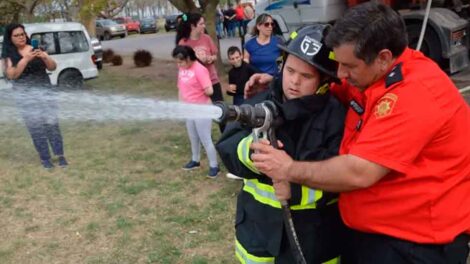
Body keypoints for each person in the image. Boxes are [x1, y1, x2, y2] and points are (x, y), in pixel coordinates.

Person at [249, 3, 470, 263]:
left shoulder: (416, 94)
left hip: (415, 246)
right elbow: (334, 89)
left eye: (348, 66)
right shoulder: (371, 74)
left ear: (384, 58)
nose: (341, 74)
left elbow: (359, 172)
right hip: (374, 236)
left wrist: (288, 169)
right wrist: (277, 82)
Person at [216, 24, 348, 263]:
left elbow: (342, 176)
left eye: (306, 76)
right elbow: (227, 146)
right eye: (290, 71)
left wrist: (294, 188)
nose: (294, 82)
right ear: (282, 65)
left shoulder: (336, 117)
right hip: (258, 232)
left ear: (325, 80)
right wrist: (250, 153)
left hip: (314, 240)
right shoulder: (260, 102)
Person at [1, 23, 68, 169]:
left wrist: (44, 57)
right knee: (36, 127)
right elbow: (12, 75)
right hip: (25, 97)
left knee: (52, 124)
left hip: (45, 92)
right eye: (16, 35)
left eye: (22, 34)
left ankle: (60, 155)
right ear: (10, 38)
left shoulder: (36, 48)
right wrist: (25, 60)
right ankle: (45, 158)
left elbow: (52, 67)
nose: (21, 37)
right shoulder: (8, 55)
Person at [172, 45, 220, 178]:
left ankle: (214, 166)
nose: (179, 64)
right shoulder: (181, 69)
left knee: (205, 138)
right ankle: (195, 160)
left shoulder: (200, 69)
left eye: (180, 61)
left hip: (202, 109)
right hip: (189, 109)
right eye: (177, 61)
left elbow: (210, 90)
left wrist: (203, 90)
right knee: (193, 137)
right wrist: (181, 104)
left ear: (188, 58)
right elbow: (180, 88)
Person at [176, 13, 225, 132]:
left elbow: (214, 55)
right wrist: (197, 60)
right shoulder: (183, 43)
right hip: (195, 86)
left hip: (212, 81)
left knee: (221, 111)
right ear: (193, 26)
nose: (204, 26)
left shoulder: (206, 38)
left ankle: (225, 135)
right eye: (201, 24)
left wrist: (210, 58)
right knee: (199, 115)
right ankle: (203, 137)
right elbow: (181, 65)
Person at [244, 13, 283, 77]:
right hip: (257, 81)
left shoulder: (278, 41)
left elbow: (282, 59)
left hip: (273, 81)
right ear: (258, 26)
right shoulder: (249, 45)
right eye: (266, 24)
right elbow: (245, 63)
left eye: (272, 24)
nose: (270, 26)